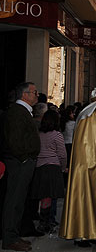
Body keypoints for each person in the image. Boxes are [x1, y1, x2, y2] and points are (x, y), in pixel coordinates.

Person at [60, 85, 96, 247]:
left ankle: (94, 232)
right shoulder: (91, 117)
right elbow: (88, 146)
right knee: (85, 196)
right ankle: (81, 234)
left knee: (95, 197)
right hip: (88, 166)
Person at [1, 82, 40, 252]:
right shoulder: (17, 113)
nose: (37, 95)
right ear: (25, 95)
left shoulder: (23, 112)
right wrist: (25, 158)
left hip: (23, 162)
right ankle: (9, 238)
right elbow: (15, 141)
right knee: (14, 202)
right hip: (19, 163)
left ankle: (14, 235)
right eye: (34, 92)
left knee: (19, 201)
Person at [30, 110, 66, 233]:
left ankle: (46, 220)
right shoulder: (57, 135)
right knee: (51, 196)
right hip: (53, 167)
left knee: (44, 196)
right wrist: (63, 167)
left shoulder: (39, 134)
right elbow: (62, 154)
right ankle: (48, 221)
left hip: (40, 167)